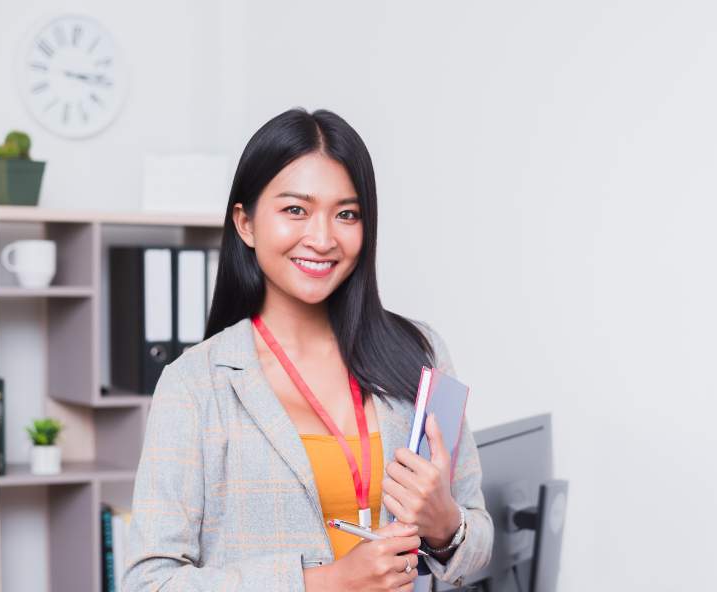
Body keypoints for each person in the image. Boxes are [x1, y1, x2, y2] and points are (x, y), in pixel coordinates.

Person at [122, 108, 493, 591]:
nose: (322, 238)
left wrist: (446, 524)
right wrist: (326, 582)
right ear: (246, 224)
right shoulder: (196, 383)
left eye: (346, 214)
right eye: (295, 210)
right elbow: (148, 582)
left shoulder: (418, 352)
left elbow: (479, 539)